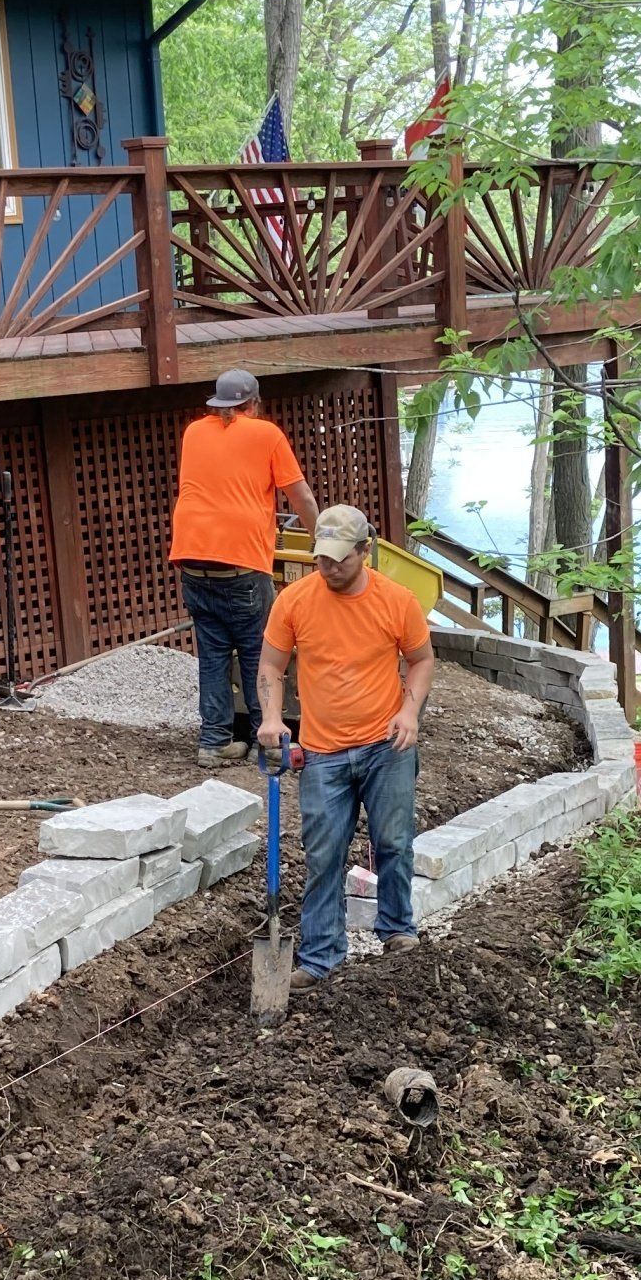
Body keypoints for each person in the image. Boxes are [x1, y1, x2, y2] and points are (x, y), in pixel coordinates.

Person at [256, 504, 434, 980]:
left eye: (340, 558)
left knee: (393, 841)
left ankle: (397, 930)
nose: (329, 567)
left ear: (364, 550)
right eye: (322, 558)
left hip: (386, 746)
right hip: (322, 752)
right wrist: (271, 718)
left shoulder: (396, 601)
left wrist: (408, 712)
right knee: (323, 854)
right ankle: (320, 957)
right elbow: (271, 664)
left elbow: (421, 660)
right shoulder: (294, 601)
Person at [169, 367, 319, 769]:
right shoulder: (267, 434)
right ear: (253, 403)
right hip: (242, 563)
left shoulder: (194, 432)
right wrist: (322, 540)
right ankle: (265, 741)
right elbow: (301, 497)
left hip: (193, 561)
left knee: (213, 654)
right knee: (260, 654)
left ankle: (214, 741)